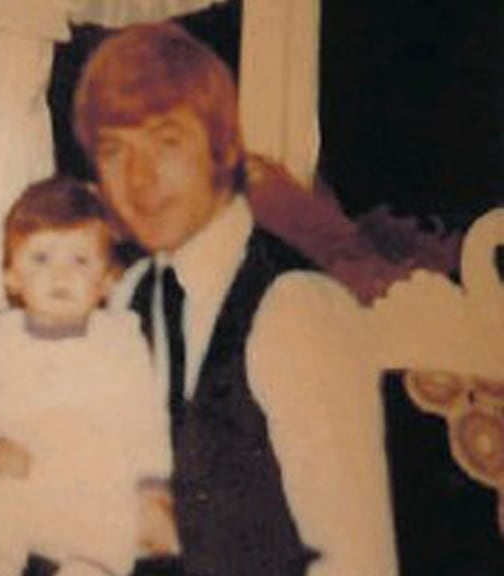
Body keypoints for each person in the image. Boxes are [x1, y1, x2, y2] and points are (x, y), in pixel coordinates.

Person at [73, 22, 398, 576]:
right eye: (114, 150)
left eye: (166, 141)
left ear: (222, 147)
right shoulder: (132, 296)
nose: (140, 177)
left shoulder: (294, 309)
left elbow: (357, 562)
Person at [0, 176, 177, 576]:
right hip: (21, 466)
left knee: (110, 525)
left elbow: (144, 422)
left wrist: (152, 491)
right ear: (11, 276)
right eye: (40, 259)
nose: (60, 275)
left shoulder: (120, 340)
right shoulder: (1, 336)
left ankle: (88, 567)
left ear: (107, 280)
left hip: (90, 479)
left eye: (80, 260)